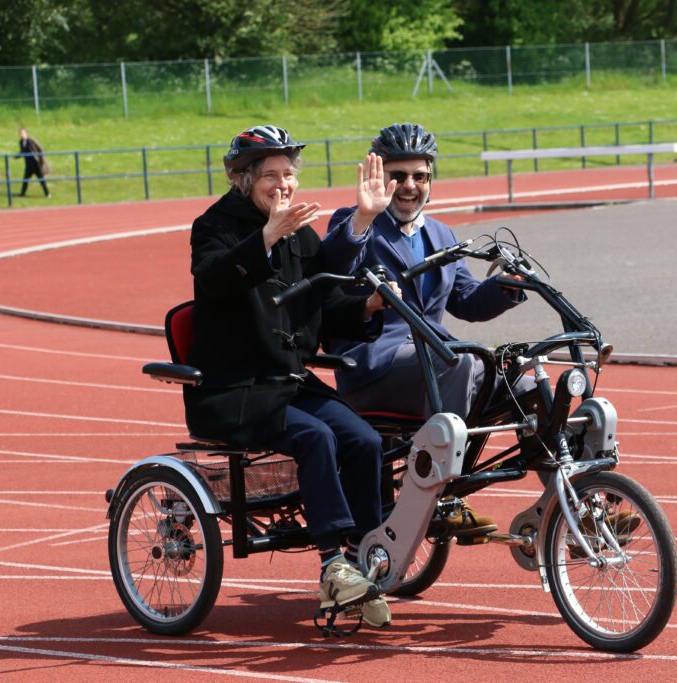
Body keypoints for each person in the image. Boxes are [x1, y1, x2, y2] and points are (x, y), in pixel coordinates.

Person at [185, 125, 395, 628]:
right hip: (234, 389)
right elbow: (214, 278)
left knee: (365, 440)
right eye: (270, 175)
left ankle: (366, 552)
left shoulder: (300, 232)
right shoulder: (213, 226)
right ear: (243, 178)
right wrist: (265, 238)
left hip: (287, 383)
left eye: (288, 174)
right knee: (317, 437)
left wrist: (367, 302)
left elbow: (324, 303)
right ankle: (332, 565)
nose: (282, 184)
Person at [324, 122, 527, 540]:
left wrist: (508, 285)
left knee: (525, 379)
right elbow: (331, 269)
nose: (409, 186)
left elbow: (468, 301)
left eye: (420, 176)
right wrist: (364, 215)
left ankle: (576, 504)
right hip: (375, 369)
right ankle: (444, 491)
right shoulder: (354, 224)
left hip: (434, 363)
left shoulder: (440, 234)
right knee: (460, 361)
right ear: (380, 177)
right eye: (398, 176)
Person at [18, 127, 50, 198]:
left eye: (23, 133)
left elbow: (40, 150)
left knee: (41, 179)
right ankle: (22, 193)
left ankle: (47, 194)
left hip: (36, 164)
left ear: (26, 133)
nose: (21, 135)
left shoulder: (31, 141)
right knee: (25, 179)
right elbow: (22, 151)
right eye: (20, 133)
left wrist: (41, 162)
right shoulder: (21, 142)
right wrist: (17, 156)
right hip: (29, 165)